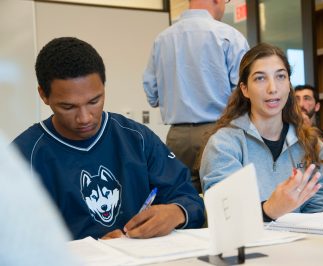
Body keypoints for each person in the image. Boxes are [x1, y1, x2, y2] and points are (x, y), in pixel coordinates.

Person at [12, 37, 205, 240]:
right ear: (43, 95)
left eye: (94, 101)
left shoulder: (137, 139)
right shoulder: (22, 157)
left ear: (104, 85)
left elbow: (188, 196)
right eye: (68, 107)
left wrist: (176, 212)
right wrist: (88, 250)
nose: (85, 117)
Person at [200, 43, 323, 221]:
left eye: (280, 76)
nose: (273, 88)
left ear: (288, 85)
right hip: (248, 247)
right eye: (260, 78)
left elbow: (321, 212)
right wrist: (269, 209)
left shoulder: (312, 145)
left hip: (302, 245)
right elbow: (225, 217)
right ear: (245, 89)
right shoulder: (224, 144)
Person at [143, 0, 249, 193]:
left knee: (181, 200)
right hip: (220, 132)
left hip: (177, 137)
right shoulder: (229, 36)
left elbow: (151, 94)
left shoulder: (162, 39)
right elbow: (246, 92)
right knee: (224, 199)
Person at [0, 132, 80, 266]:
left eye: (92, 108)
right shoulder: (24, 151)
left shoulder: (127, 131)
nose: (84, 119)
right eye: (68, 109)